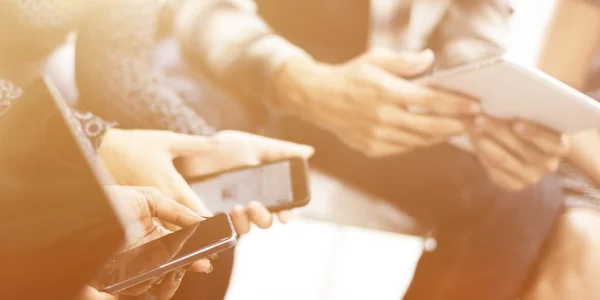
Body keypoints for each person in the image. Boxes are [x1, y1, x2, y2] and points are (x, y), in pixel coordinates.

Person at [161, 0, 584, 299]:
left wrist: (486, 114)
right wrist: (303, 83)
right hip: (231, 75)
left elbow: (474, 29)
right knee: (190, 189)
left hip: (379, 91)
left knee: (521, 199)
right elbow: (199, 11)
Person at [0, 1, 314, 299]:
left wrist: (199, 147)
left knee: (196, 261)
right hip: (19, 124)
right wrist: (97, 143)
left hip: (48, 109)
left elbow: (114, 58)